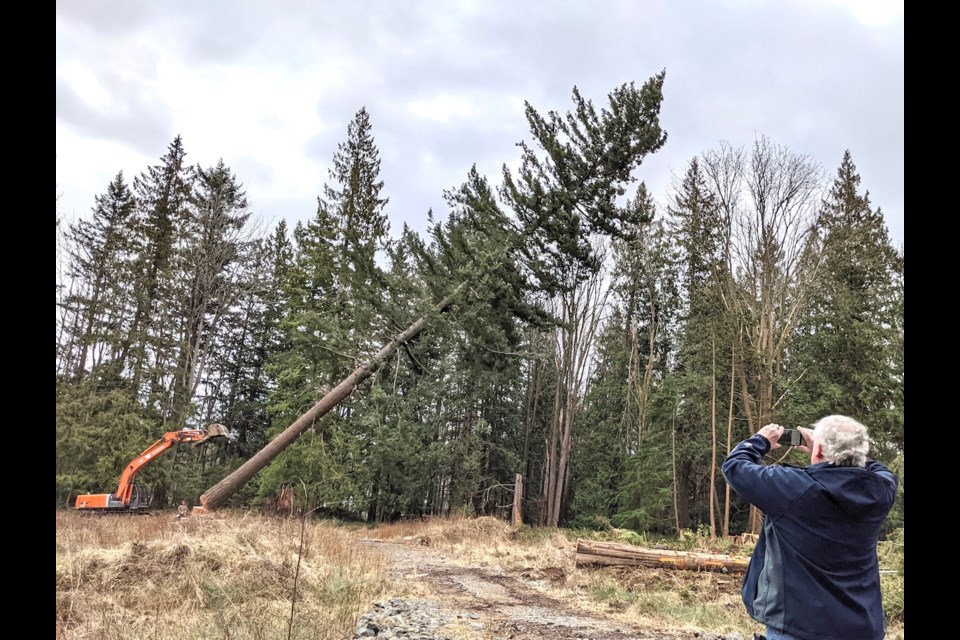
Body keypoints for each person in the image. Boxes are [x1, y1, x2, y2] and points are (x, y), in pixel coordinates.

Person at [721, 415, 898, 640]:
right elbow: (879, 469)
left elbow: (735, 466)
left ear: (820, 451)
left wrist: (760, 440)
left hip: (800, 626)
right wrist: (846, 451)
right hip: (862, 627)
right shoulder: (880, 490)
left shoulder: (793, 488)